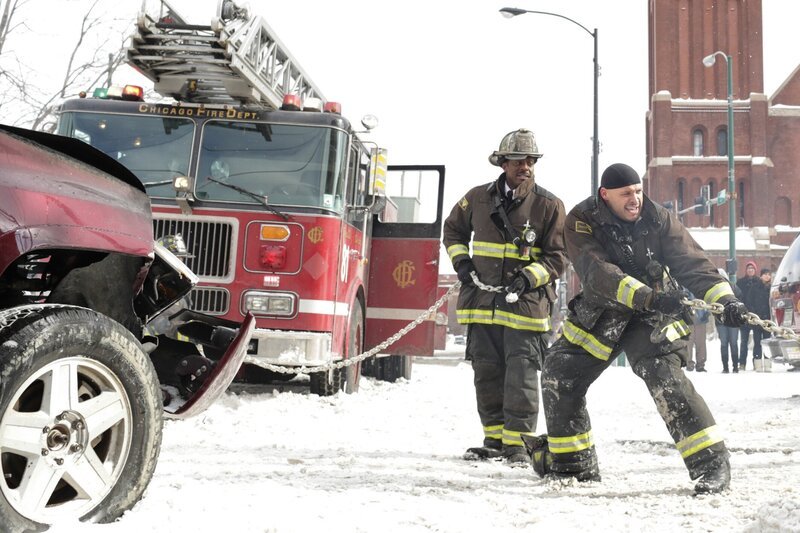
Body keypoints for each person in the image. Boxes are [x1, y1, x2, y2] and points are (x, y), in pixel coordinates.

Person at [530, 163, 749, 494]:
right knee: (560, 372)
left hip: (654, 316)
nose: (635, 200)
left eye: (637, 192)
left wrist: (726, 299)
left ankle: (713, 466)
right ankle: (574, 465)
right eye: (625, 194)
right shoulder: (580, 220)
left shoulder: (658, 218)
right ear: (604, 196)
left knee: (663, 375)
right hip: (604, 312)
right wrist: (650, 297)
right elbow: (598, 273)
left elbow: (692, 262)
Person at [443, 129, 566, 466]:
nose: (525, 165)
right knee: (487, 373)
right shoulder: (476, 198)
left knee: (522, 377)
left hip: (526, 309)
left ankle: (519, 446)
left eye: (530, 160)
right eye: (517, 160)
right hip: (482, 305)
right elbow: (452, 229)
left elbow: (559, 257)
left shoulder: (549, 205)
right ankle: (494, 441)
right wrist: (462, 262)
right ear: (503, 163)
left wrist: (529, 278)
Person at [737, 261, 764, 369]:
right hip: (744, 315)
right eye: (748, 269)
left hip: (756, 315)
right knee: (744, 342)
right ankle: (742, 363)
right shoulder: (741, 282)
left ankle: (756, 362)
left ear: (755, 270)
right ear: (746, 270)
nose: (750, 271)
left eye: (752, 269)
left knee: (757, 341)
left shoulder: (759, 282)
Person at [716, 269, 742, 373]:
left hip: (732, 320)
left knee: (733, 343)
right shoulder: (715, 289)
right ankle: (725, 367)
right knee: (724, 344)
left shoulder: (732, 287)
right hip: (721, 321)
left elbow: (740, 298)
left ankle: (735, 366)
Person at [686, 299, 709, 372]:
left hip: (701, 318)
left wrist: (707, 313)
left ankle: (700, 364)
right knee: (688, 342)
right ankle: (688, 363)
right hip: (688, 317)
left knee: (701, 342)